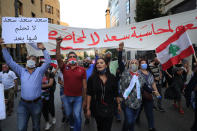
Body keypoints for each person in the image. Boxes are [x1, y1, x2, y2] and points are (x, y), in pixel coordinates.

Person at [0, 38, 51, 131]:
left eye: (34, 59)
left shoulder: (39, 71)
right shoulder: (21, 71)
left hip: (36, 104)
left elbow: (48, 62)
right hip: (23, 104)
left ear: (36, 63)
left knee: (36, 127)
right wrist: (4, 47)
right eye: (30, 59)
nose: (31, 60)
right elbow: (10, 61)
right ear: (27, 61)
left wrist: (43, 49)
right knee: (21, 128)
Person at [56, 37, 87, 131]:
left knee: (77, 115)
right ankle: (72, 125)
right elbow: (58, 58)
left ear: (76, 59)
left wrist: (84, 100)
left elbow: (85, 86)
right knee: (69, 114)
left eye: (74, 56)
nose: (72, 58)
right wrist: (58, 44)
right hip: (67, 97)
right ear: (68, 59)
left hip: (78, 97)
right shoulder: (64, 67)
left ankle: (77, 129)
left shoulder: (82, 70)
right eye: (70, 57)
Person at [86, 58, 121, 131]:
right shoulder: (92, 79)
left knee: (107, 128)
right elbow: (89, 94)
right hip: (97, 107)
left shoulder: (112, 77)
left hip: (110, 107)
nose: (99, 64)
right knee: (100, 127)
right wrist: (88, 108)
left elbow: (116, 92)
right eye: (97, 63)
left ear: (106, 65)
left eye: (101, 62)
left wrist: (119, 104)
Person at [120, 59, 142, 131]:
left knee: (132, 121)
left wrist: (153, 91)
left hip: (137, 101)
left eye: (136, 63)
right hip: (128, 101)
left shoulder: (140, 74)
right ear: (129, 65)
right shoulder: (125, 73)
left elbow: (144, 85)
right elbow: (122, 86)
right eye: (132, 63)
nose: (134, 64)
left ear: (138, 65)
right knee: (129, 121)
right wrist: (124, 95)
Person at [137, 59, 160, 131]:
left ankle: (151, 126)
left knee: (150, 111)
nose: (144, 64)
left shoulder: (149, 73)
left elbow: (153, 83)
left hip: (149, 95)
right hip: (140, 95)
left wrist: (156, 91)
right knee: (138, 110)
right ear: (139, 65)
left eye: (145, 63)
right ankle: (136, 118)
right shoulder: (137, 73)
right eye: (142, 63)